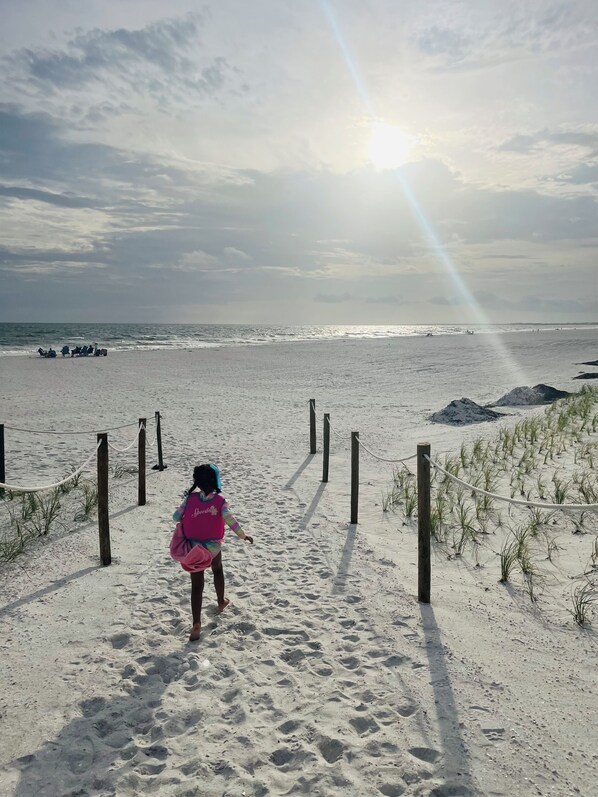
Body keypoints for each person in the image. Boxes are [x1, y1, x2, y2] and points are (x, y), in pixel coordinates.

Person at [171, 464, 253, 641]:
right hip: (213, 547)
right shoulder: (220, 501)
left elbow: (175, 517)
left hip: (193, 547)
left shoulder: (190, 499)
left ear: (197, 482)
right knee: (217, 569)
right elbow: (231, 521)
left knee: (196, 585)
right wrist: (243, 535)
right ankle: (221, 601)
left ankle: (196, 624)